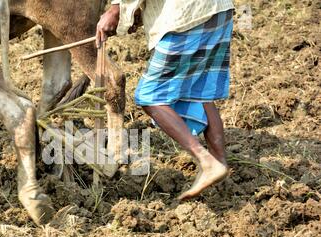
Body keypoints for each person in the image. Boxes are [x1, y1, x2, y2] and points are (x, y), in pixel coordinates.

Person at [96, 0, 235, 200]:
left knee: (150, 95)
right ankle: (219, 161)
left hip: (185, 15)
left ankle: (206, 161)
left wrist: (117, 10)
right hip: (218, 10)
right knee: (199, 90)